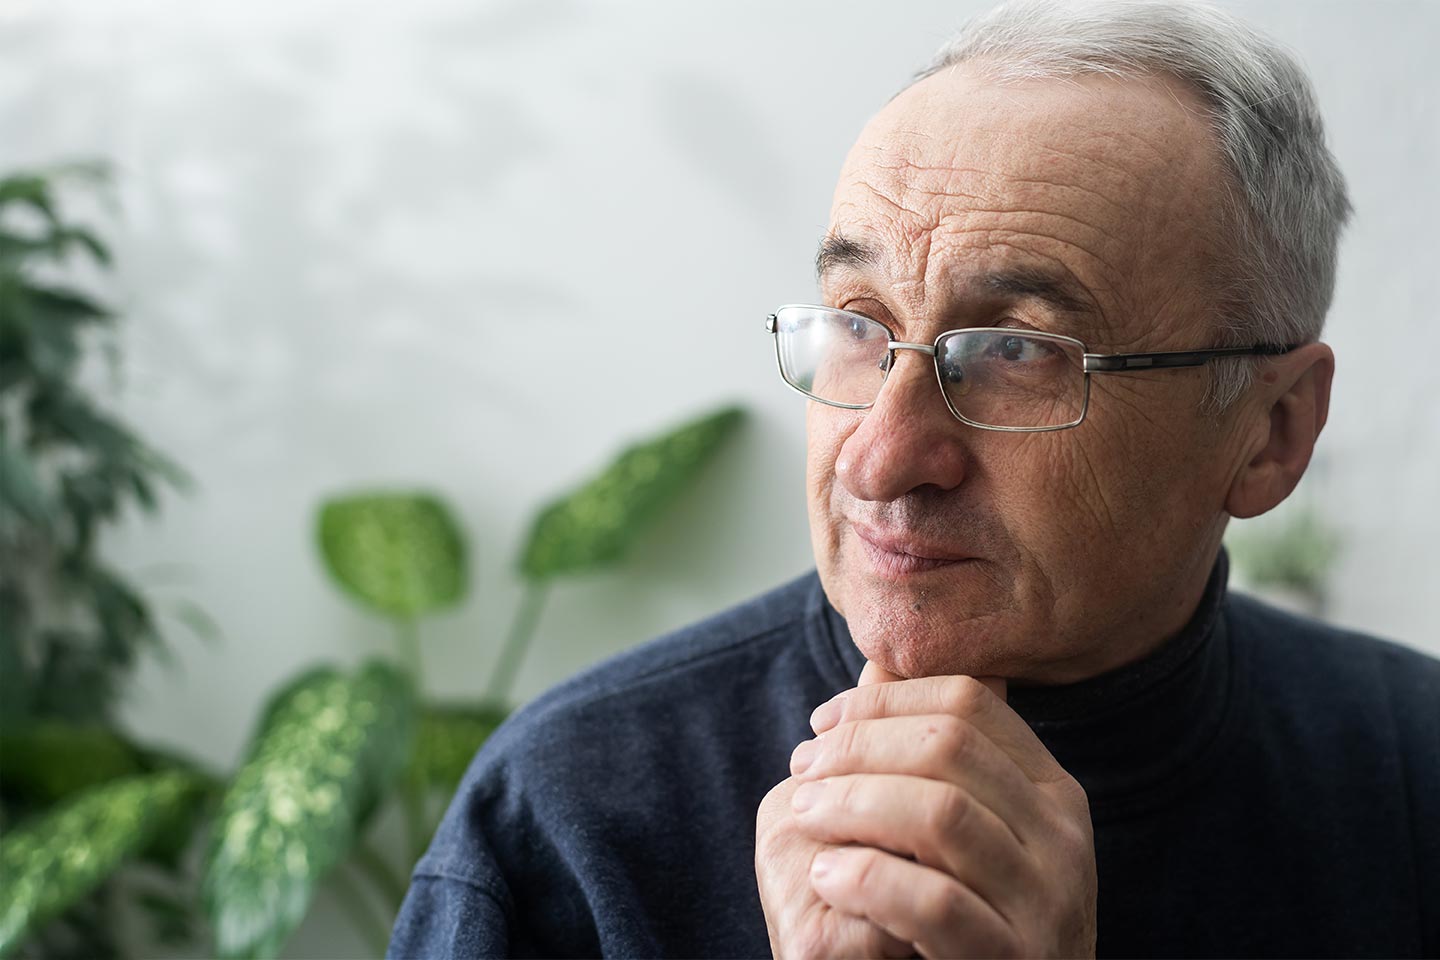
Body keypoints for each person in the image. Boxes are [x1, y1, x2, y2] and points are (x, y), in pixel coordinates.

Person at [387, 1, 1440, 956]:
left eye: (1018, 350)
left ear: (1270, 433)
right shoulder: (568, 818)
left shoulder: (1411, 776)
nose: (881, 456)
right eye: (858, 325)